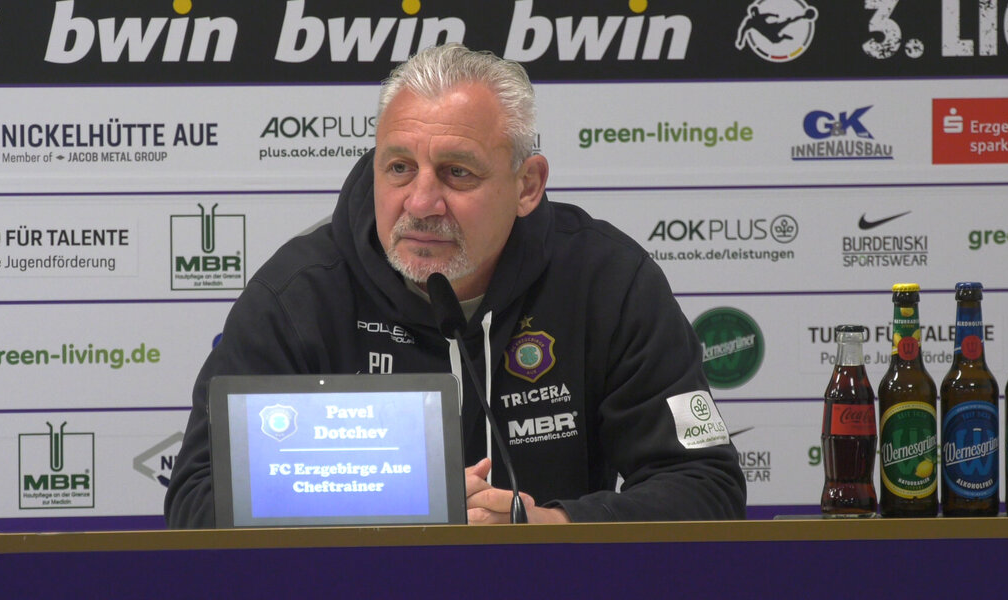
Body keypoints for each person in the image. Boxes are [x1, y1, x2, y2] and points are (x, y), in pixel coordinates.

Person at [165, 43, 746, 527]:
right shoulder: (298, 297)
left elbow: (706, 484)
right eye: (399, 167)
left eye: (457, 172)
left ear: (527, 185)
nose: (420, 202)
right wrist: (393, 509)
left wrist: (553, 526)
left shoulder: (607, 281)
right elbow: (197, 500)